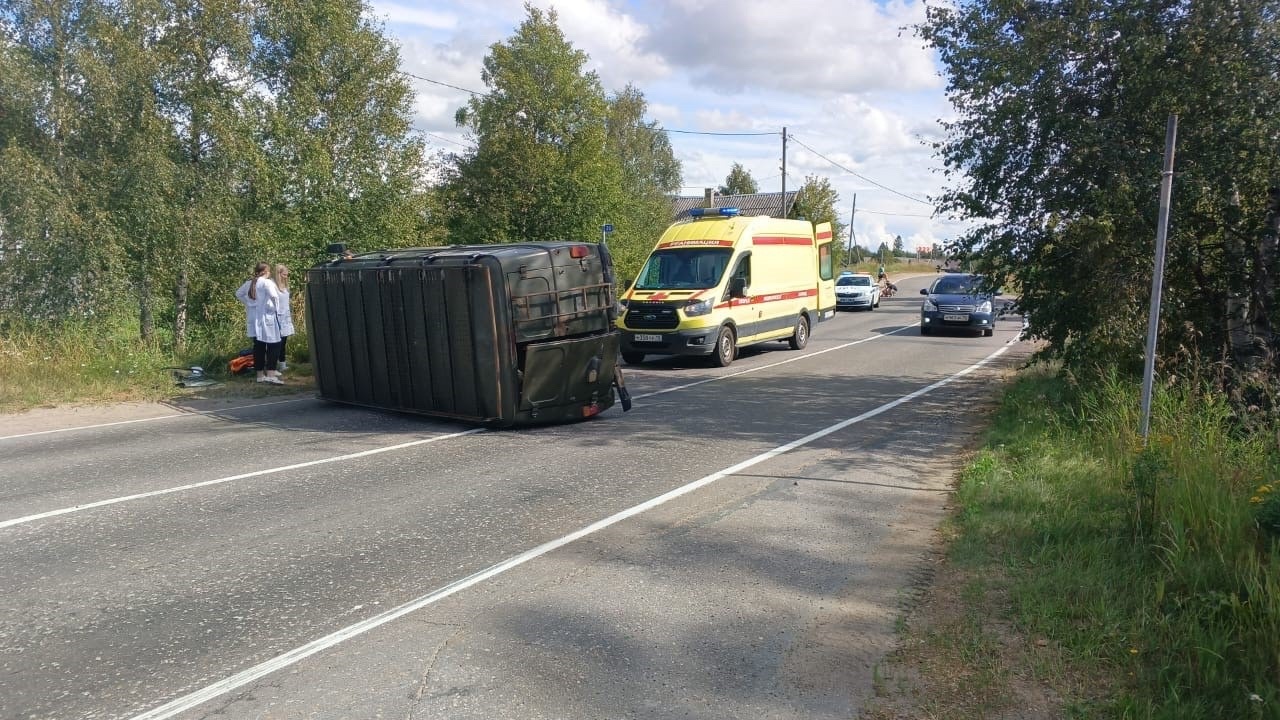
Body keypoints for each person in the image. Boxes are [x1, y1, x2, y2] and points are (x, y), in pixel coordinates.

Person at [235, 262, 284, 385]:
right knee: (275, 344)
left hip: (253, 317)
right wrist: (276, 309)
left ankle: (260, 375)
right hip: (266, 317)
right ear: (266, 271)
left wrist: (248, 303)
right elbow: (274, 296)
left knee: (259, 346)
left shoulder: (249, 283)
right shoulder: (266, 282)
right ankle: (271, 373)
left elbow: (238, 294)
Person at [272, 264, 295, 373]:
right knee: (277, 342)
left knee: (283, 341)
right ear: (278, 274)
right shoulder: (273, 286)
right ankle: (273, 365)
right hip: (277, 317)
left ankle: (282, 364)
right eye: (284, 275)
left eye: (287, 275)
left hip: (285, 316)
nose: (286, 277)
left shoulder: (284, 285)